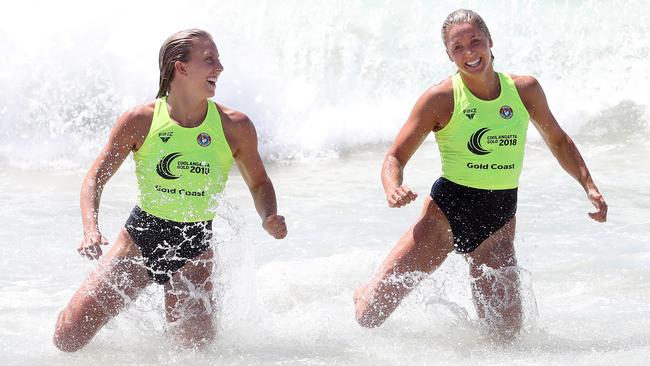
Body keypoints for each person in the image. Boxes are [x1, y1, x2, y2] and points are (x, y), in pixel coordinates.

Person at [353, 9, 607, 340]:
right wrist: (392, 187)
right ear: (449, 54)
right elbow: (395, 156)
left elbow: (558, 140)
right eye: (458, 47)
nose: (470, 53)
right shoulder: (440, 98)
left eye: (475, 41)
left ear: (490, 41)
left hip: (497, 226)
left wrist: (589, 185)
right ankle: (364, 291)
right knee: (369, 316)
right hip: (443, 218)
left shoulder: (524, 90)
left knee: (505, 340)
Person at [53, 29, 287, 352]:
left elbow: (260, 183)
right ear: (181, 67)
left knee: (194, 356)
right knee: (67, 338)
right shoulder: (140, 121)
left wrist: (269, 215)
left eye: (217, 60)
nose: (219, 68)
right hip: (140, 240)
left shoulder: (235, 127)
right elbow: (95, 178)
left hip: (194, 248)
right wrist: (90, 228)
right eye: (209, 60)